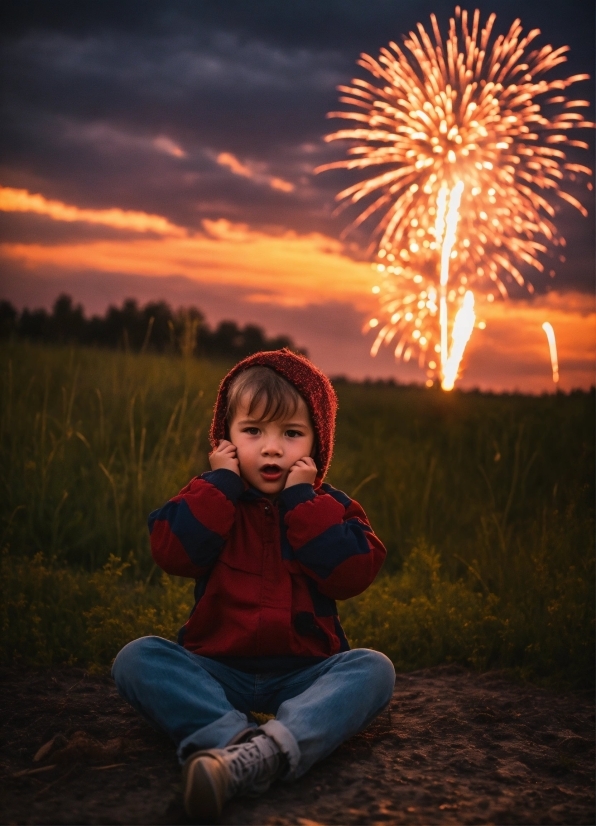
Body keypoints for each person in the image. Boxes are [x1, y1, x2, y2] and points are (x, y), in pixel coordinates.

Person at [112, 349, 395, 821]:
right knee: (137, 658)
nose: (270, 448)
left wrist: (304, 501)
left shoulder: (331, 507)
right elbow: (171, 553)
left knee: (374, 669)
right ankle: (239, 744)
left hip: (304, 673)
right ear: (226, 440)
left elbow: (352, 574)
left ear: (316, 445)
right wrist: (219, 486)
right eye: (252, 432)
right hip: (218, 668)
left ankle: (270, 747)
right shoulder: (211, 494)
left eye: (291, 434)